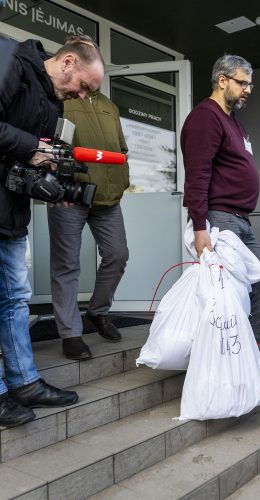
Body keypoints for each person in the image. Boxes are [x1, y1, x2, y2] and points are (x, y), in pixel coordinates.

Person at [0, 35, 104, 427]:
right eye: (84, 86)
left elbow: (31, 154)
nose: (82, 96)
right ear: (68, 63)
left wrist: (50, 182)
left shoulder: (52, 100)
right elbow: (22, 145)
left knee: (14, 299)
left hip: (11, 209)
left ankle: (24, 381)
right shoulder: (11, 64)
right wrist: (31, 150)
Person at [180, 54, 260, 385]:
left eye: (250, 84)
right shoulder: (205, 118)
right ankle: (231, 364)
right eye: (243, 83)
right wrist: (200, 227)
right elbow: (196, 177)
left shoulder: (234, 122)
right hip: (220, 220)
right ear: (223, 80)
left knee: (258, 288)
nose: (248, 90)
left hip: (241, 221)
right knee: (235, 295)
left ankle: (252, 360)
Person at [47, 90, 130, 360]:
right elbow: (51, 145)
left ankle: (97, 311)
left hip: (107, 197)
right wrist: (57, 186)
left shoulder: (109, 106)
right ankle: (70, 333)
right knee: (66, 264)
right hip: (71, 195)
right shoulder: (61, 99)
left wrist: (122, 181)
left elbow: (121, 148)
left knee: (118, 254)